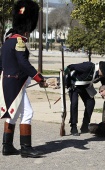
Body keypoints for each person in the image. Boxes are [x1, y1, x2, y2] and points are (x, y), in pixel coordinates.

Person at [0, 0, 48, 158]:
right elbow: (23, 63)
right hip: (16, 83)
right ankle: (26, 148)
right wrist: (39, 78)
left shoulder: (7, 42)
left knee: (12, 113)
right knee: (27, 113)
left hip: (7, 82)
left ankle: (6, 146)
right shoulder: (19, 41)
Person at [65, 60, 105, 136]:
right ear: (100, 69)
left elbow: (104, 84)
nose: (102, 76)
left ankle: (85, 126)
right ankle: (73, 126)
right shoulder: (88, 67)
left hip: (85, 87)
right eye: (103, 74)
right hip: (74, 85)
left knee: (91, 103)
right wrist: (66, 80)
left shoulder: (102, 75)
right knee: (74, 103)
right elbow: (70, 67)